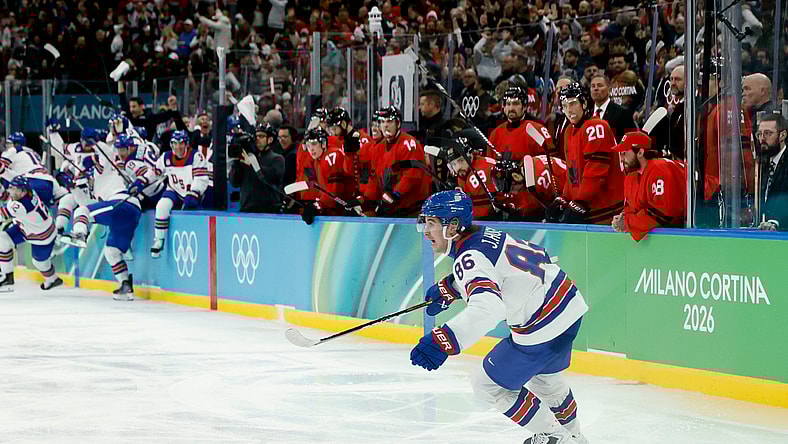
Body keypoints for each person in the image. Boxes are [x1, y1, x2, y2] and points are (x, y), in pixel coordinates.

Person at [411, 190, 588, 444]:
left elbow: (489, 308)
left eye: (431, 223)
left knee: (486, 385)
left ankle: (556, 438)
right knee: (546, 379)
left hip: (542, 322)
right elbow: (503, 270)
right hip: (566, 305)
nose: (425, 231)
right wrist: (452, 287)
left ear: (452, 226)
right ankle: (576, 436)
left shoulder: (468, 257)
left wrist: (444, 339)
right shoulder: (485, 234)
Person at [61, 135, 147, 300]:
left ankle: (79, 235)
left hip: (121, 203)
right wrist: (71, 187)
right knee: (111, 251)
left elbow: (106, 152)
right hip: (128, 212)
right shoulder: (94, 188)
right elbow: (85, 202)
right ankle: (125, 286)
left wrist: (95, 140)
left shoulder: (105, 168)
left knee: (81, 212)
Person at [548, 82, 625, 224]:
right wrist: (565, 198)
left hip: (606, 210)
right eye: (564, 106)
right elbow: (572, 172)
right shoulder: (569, 131)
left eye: (572, 103)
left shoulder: (596, 126)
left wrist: (580, 202)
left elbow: (596, 172)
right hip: (587, 208)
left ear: (583, 103)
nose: (568, 110)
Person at [128, 130, 209, 258]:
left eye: (181, 143)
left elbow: (201, 178)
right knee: (161, 206)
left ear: (186, 144)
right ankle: (159, 240)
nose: (178, 147)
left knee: (195, 217)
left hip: (191, 194)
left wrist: (194, 193)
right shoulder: (166, 157)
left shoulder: (196, 156)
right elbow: (154, 173)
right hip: (174, 190)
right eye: (175, 144)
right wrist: (140, 182)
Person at [611, 131, 686, 241]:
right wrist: (624, 218)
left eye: (625, 153)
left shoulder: (659, 169)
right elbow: (630, 209)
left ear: (640, 152)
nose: (621, 159)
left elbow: (663, 214)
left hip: (707, 206)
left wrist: (628, 222)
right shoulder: (631, 177)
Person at [0, 176, 64, 292]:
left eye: (14, 188)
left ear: (23, 191)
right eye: (11, 188)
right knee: (2, 240)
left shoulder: (22, 205)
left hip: (42, 235)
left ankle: (52, 279)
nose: (11, 190)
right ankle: (7, 277)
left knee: (40, 263)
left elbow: (2, 214)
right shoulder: (26, 193)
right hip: (26, 227)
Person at [372, 106, 431, 217]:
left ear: (398, 124)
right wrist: (364, 200)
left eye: (389, 121)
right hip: (394, 207)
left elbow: (412, 176)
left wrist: (395, 195)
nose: (385, 125)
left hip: (414, 209)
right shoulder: (378, 148)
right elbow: (375, 178)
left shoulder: (409, 143)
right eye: (382, 122)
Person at [488, 86, 558, 162]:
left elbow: (550, 161)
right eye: (508, 104)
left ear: (524, 107)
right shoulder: (495, 134)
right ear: (504, 108)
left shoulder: (537, 130)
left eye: (516, 104)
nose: (511, 108)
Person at [229, 123, 285, 213]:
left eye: (261, 136)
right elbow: (234, 182)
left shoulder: (277, 159)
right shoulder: (247, 158)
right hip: (247, 209)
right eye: (256, 136)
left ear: (270, 139)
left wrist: (252, 165)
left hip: (270, 211)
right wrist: (236, 162)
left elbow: (274, 176)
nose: (257, 139)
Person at [303, 127, 356, 215]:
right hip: (337, 208)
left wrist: (319, 205)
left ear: (323, 143)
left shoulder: (332, 155)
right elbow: (325, 189)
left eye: (314, 144)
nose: (311, 149)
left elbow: (335, 189)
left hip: (348, 207)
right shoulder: (318, 159)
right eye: (308, 146)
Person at [754, 114, 788, 230]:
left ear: (782, 135)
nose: (762, 138)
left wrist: (775, 220)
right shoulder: (764, 163)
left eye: (768, 133)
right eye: (760, 134)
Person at [589, 74, 635, 143]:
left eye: (600, 85)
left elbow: (631, 139)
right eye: (593, 86)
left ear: (609, 89)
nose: (595, 88)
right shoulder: (587, 114)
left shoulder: (622, 113)